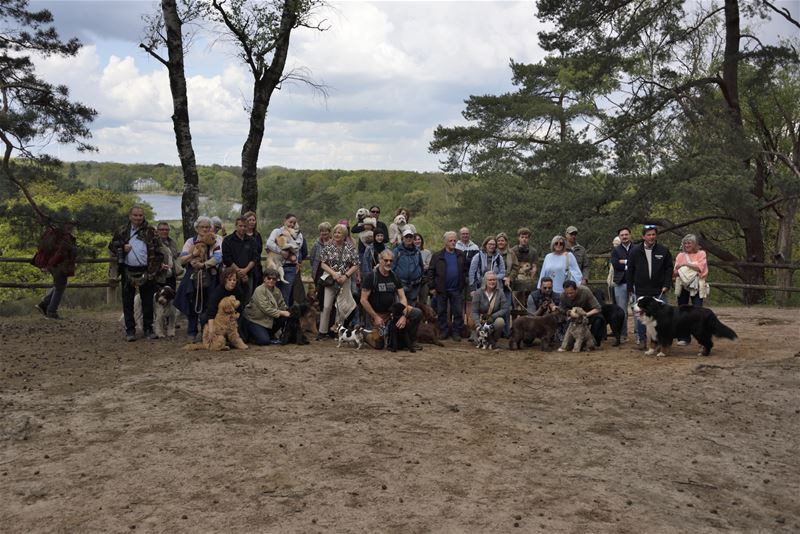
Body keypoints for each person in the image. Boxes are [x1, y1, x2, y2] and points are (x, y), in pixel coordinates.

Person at [109, 205, 164, 341]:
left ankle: (148, 329)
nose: (138, 218)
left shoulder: (151, 231)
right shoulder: (122, 231)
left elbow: (159, 251)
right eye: (135, 215)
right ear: (130, 216)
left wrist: (154, 270)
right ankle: (130, 330)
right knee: (128, 302)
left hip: (147, 270)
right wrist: (122, 247)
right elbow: (112, 246)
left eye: (140, 215)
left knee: (147, 302)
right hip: (128, 269)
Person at [361, 249, 423, 348]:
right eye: (386, 260)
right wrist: (375, 317)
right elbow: (363, 300)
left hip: (393, 313)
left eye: (391, 261)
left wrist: (404, 315)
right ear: (380, 260)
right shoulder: (371, 277)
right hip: (377, 316)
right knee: (379, 345)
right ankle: (365, 334)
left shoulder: (394, 276)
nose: (388, 263)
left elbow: (402, 297)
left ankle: (410, 341)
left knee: (417, 313)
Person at [174, 216, 222, 342]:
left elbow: (218, 257)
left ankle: (205, 331)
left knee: (209, 304)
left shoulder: (214, 241)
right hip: (193, 276)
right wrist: (193, 255)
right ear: (197, 228)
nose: (205, 229)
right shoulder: (190, 241)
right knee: (192, 302)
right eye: (202, 227)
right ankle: (191, 331)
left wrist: (204, 264)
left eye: (207, 227)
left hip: (209, 275)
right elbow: (182, 259)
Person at [627, 225, 673, 347]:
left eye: (653, 234)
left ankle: (662, 341)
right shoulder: (635, 251)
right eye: (649, 235)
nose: (651, 237)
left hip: (659, 290)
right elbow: (630, 270)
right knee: (640, 316)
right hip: (641, 289)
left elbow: (669, 269)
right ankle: (641, 340)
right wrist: (630, 288)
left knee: (663, 317)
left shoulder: (663, 250)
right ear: (643, 237)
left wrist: (667, 284)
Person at [318, 223, 360, 339]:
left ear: (344, 235)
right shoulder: (328, 247)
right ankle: (322, 331)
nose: (337, 234)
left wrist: (346, 276)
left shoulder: (350, 248)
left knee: (342, 307)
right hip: (330, 279)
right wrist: (334, 274)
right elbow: (323, 264)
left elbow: (355, 265)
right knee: (326, 305)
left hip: (344, 279)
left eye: (339, 233)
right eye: (335, 232)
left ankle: (338, 331)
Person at [34, 221, 78, 320]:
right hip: (58, 265)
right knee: (60, 287)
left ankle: (44, 304)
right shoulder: (64, 238)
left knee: (59, 286)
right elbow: (60, 253)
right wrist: (50, 264)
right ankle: (51, 311)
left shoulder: (55, 235)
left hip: (55, 264)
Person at [428, 231, 467, 341]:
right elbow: (430, 272)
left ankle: (456, 332)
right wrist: (432, 287)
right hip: (441, 290)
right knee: (441, 312)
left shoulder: (460, 254)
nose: (453, 242)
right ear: (445, 242)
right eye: (450, 240)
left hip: (456, 289)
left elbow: (465, 270)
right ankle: (443, 331)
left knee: (458, 312)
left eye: (454, 240)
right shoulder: (437, 256)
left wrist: (463, 283)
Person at [672, 233, 709, 345]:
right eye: (685, 243)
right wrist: (688, 267)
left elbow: (700, 267)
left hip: (696, 285)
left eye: (689, 243)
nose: (687, 245)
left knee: (698, 311)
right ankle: (683, 337)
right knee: (682, 311)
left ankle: (701, 338)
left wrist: (685, 265)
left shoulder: (701, 253)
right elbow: (675, 271)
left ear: (695, 244)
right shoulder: (680, 255)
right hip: (682, 285)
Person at [241, 267, 291, 345]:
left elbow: (282, 305)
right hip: (255, 320)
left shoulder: (277, 291)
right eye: (269, 278)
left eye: (274, 279)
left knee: (285, 316)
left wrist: (289, 311)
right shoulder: (259, 290)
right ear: (264, 278)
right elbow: (266, 308)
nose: (271, 280)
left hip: (267, 319)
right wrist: (282, 312)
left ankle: (268, 334)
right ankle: (251, 335)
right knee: (264, 341)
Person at [266, 213, 307, 306]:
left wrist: (288, 236)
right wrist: (281, 251)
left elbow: (297, 247)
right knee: (272, 294)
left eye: (294, 223)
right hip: (275, 266)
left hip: (290, 268)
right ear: (285, 221)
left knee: (285, 296)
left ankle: (283, 319)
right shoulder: (277, 231)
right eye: (290, 222)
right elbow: (269, 244)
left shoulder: (299, 235)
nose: (292, 224)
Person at [221, 216, 259, 302]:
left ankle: (245, 315)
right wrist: (239, 272)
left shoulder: (252, 240)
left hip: (248, 274)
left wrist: (245, 271)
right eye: (240, 226)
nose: (243, 228)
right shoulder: (228, 240)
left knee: (247, 298)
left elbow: (255, 257)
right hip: (232, 275)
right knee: (231, 298)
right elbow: (227, 258)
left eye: (245, 226)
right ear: (236, 226)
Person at [559, 280, 606, 347]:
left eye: (571, 293)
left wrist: (584, 315)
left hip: (587, 313)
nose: (569, 295)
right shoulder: (562, 295)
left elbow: (598, 308)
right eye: (567, 293)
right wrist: (569, 313)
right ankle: (568, 342)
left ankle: (594, 341)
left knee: (599, 319)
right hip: (572, 317)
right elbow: (561, 309)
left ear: (576, 289)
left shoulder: (585, 291)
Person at [206, 268, 248, 341]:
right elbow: (211, 311)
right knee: (204, 317)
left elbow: (241, 307)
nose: (232, 282)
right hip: (219, 316)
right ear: (225, 280)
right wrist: (211, 329)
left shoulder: (238, 290)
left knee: (244, 339)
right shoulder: (217, 292)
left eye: (234, 280)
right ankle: (209, 335)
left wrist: (234, 315)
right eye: (230, 280)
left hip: (233, 316)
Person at [471, 271, 509, 350]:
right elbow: (474, 311)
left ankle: (493, 340)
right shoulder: (478, 293)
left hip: (493, 320)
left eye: (494, 280)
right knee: (479, 337)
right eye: (490, 280)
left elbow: (505, 308)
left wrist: (493, 316)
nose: (492, 282)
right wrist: (478, 325)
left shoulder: (500, 293)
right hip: (482, 321)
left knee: (500, 321)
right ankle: (481, 338)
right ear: (485, 281)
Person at [610, 227, 635, 342]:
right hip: (620, 283)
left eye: (626, 234)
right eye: (622, 235)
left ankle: (639, 335)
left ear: (630, 235)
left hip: (635, 283)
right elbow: (616, 264)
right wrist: (629, 263)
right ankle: (623, 334)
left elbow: (638, 264)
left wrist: (624, 262)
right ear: (619, 237)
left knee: (637, 310)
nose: (624, 236)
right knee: (621, 311)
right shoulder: (616, 250)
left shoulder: (637, 248)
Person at [393, 228, 425, 305]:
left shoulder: (417, 251)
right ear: (402, 238)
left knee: (412, 307)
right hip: (401, 284)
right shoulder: (397, 251)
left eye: (410, 237)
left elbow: (421, 265)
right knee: (401, 306)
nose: (408, 239)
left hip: (415, 285)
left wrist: (420, 276)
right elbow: (392, 267)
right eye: (406, 237)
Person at [511, 227, 538, 309]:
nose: (524, 239)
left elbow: (534, 266)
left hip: (528, 278)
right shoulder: (513, 250)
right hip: (516, 277)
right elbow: (511, 266)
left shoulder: (533, 251)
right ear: (518, 238)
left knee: (526, 299)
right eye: (522, 237)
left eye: (526, 237)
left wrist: (531, 279)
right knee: (515, 298)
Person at [310, 221, 332, 308]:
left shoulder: (333, 243)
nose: (324, 233)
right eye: (322, 231)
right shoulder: (316, 244)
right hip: (318, 271)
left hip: (330, 272)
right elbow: (312, 257)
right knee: (319, 292)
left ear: (330, 231)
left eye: (326, 230)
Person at [156, 222, 181, 290]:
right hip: (159, 278)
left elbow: (174, 257)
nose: (164, 231)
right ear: (157, 230)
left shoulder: (172, 242)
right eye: (162, 229)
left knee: (171, 298)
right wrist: (159, 265)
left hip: (171, 277)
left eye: (166, 230)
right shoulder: (153, 243)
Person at [243, 211, 264, 287]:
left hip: (256, 266)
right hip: (243, 266)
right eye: (249, 220)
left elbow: (259, 251)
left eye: (253, 220)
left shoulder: (257, 235)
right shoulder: (242, 235)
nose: (252, 222)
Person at [414, 233, 432, 306]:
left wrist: (420, 266)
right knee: (413, 301)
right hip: (413, 281)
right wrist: (423, 265)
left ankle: (424, 317)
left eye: (419, 239)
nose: (417, 241)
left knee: (423, 302)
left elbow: (428, 266)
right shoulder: (410, 252)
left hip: (424, 280)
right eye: (415, 240)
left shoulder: (427, 252)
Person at [607, 236, 622, 302]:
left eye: (617, 244)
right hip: (613, 280)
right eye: (614, 244)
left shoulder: (623, 253)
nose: (615, 245)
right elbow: (611, 269)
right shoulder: (614, 253)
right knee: (614, 300)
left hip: (620, 280)